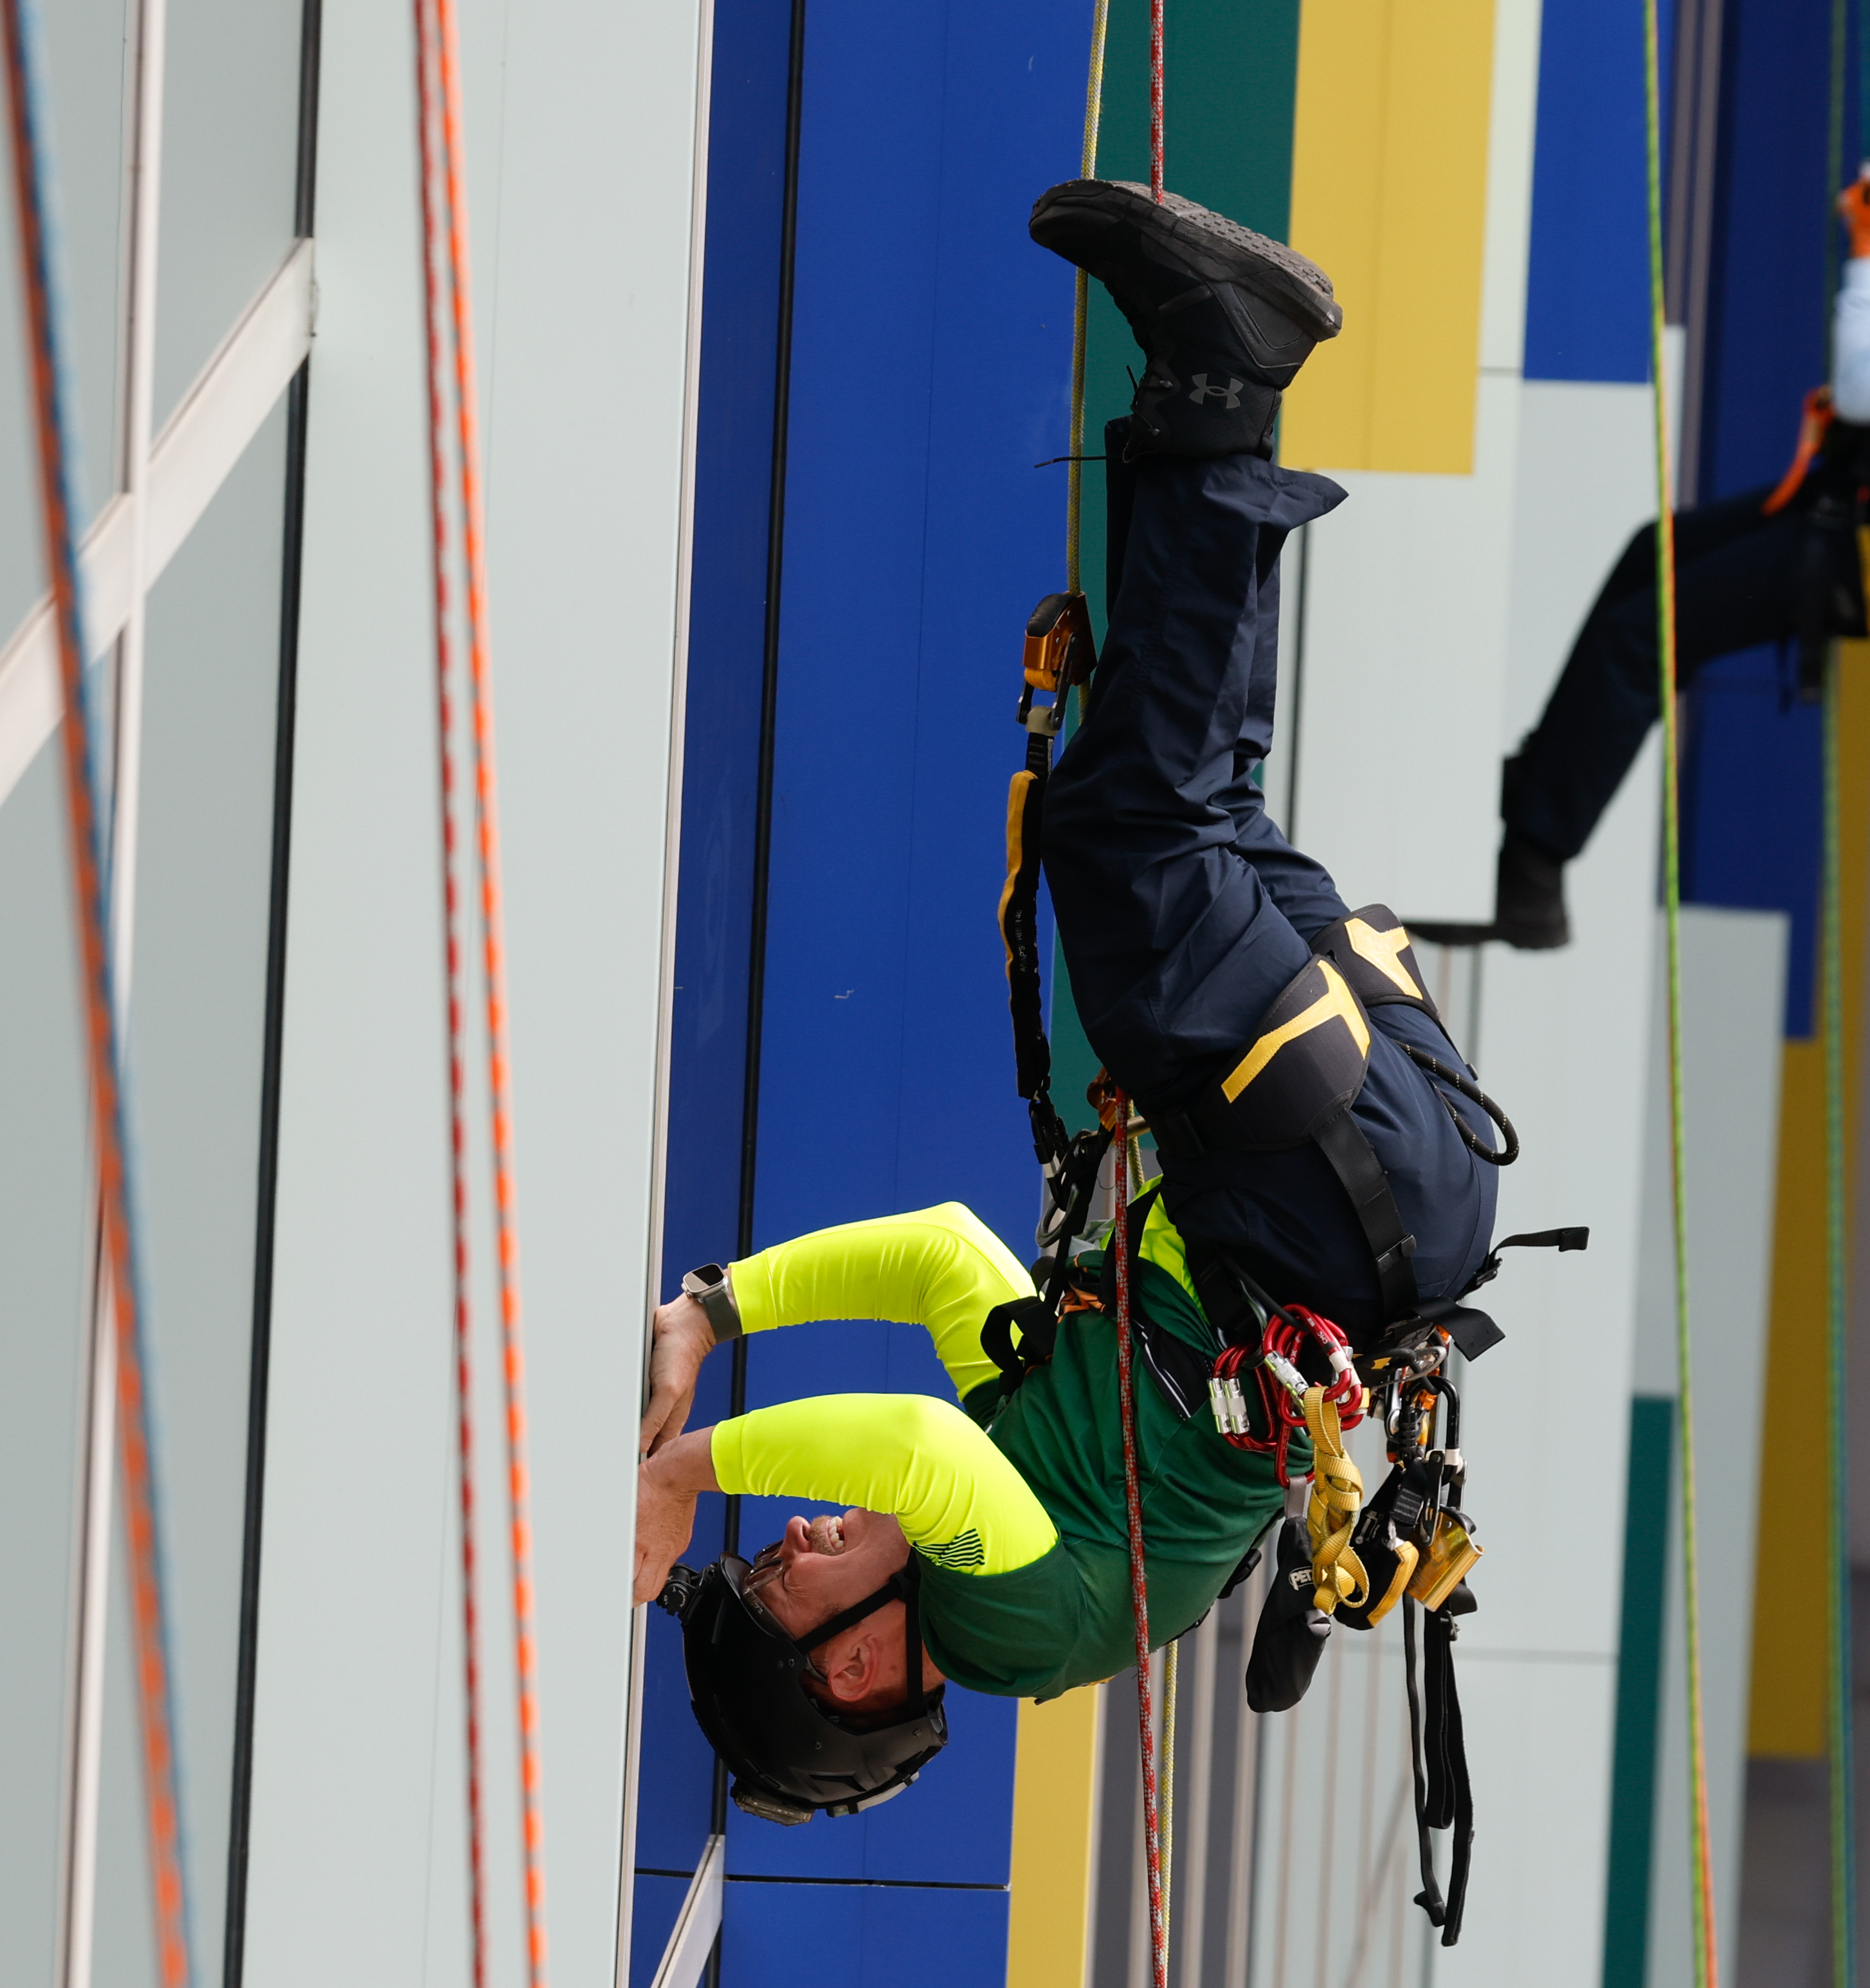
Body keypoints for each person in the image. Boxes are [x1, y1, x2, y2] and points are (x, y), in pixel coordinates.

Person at [631, 180, 1511, 1821]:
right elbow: (906, 1446)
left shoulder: (1023, 1461)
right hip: (1324, 1208)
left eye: (758, 1549)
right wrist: (684, 1467)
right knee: (1128, 839)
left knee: (1189, 805)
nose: (786, 1541)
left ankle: (1218, 380)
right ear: (857, 1667)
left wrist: (715, 1306)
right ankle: (1222, 363)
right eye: (778, 1584)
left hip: (1346, 1184)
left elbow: (952, 1260)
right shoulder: (1014, 1618)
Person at [1482, 40, 1870, 949]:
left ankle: (1532, 872)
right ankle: (1537, 790)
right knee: (1652, 552)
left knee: (1644, 631)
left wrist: (1865, 254)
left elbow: (1860, 387)